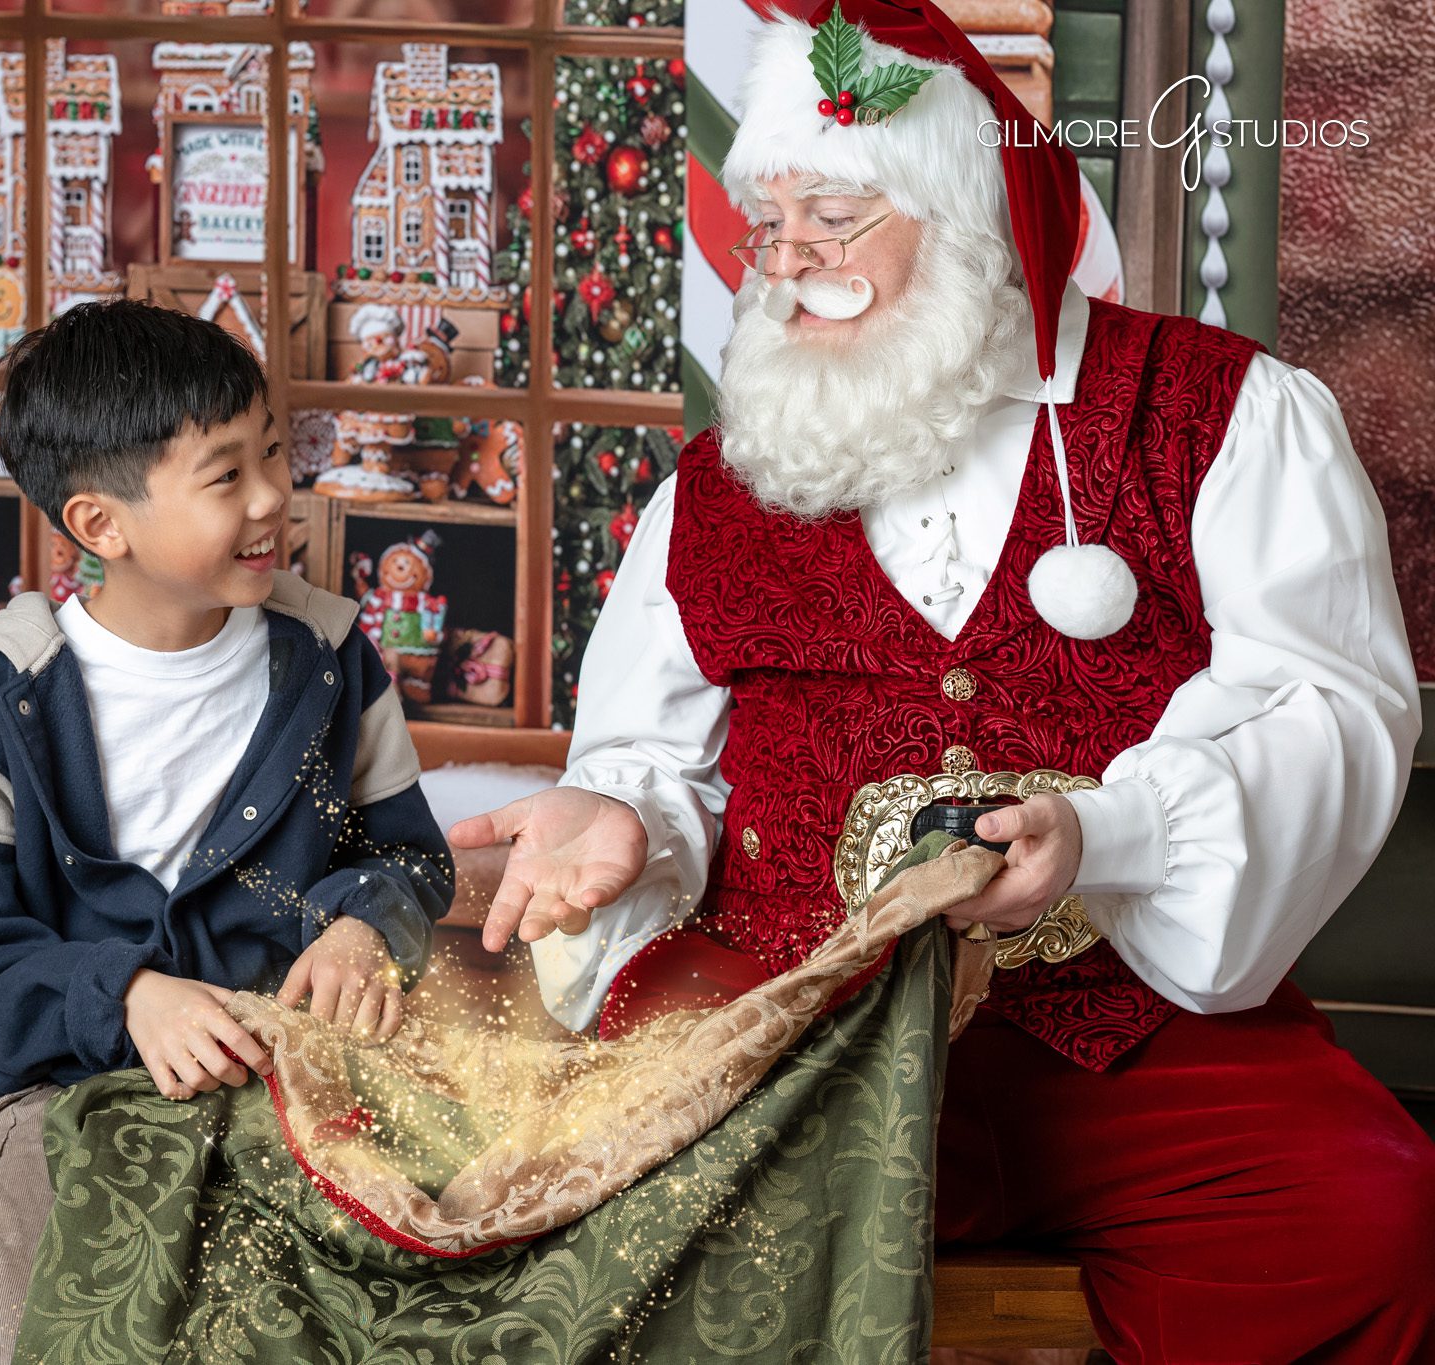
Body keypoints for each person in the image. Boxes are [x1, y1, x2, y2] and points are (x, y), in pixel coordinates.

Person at [452, 3, 1434, 1361]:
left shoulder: (1223, 414)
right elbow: (651, 759)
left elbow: (1326, 707)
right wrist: (619, 814)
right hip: (780, 1022)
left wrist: (1107, 833)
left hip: (1121, 1038)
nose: (789, 264)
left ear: (961, 207)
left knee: (1357, 1211)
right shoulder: (721, 482)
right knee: (609, 1220)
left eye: (836, 218)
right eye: (771, 221)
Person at [0, 298, 455, 1365]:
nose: (275, 498)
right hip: (55, 1104)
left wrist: (361, 929)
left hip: (295, 1092)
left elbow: (405, 859)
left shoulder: (328, 660)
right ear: (101, 525)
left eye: (273, 454)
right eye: (227, 477)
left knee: (398, 1303)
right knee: (41, 1319)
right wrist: (126, 995)